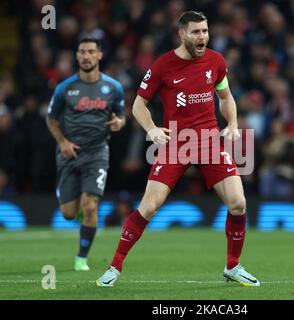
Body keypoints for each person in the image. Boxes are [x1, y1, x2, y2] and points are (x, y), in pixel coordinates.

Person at [96, 11, 260, 287]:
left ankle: (233, 266)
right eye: (196, 32)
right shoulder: (162, 66)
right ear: (182, 34)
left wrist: (232, 122)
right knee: (148, 207)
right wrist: (152, 129)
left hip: (209, 141)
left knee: (238, 203)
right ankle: (114, 267)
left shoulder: (216, 61)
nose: (203, 37)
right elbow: (138, 105)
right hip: (177, 144)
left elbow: (226, 96)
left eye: (205, 31)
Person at [46, 38, 126, 271]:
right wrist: (62, 142)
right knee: (69, 214)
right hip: (69, 152)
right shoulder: (65, 88)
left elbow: (121, 115)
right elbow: (51, 118)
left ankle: (82, 257)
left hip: (98, 152)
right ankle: (77, 204)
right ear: (77, 56)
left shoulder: (113, 87)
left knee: (90, 206)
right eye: (82, 52)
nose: (86, 56)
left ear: (99, 55)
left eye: (91, 51)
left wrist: (119, 123)